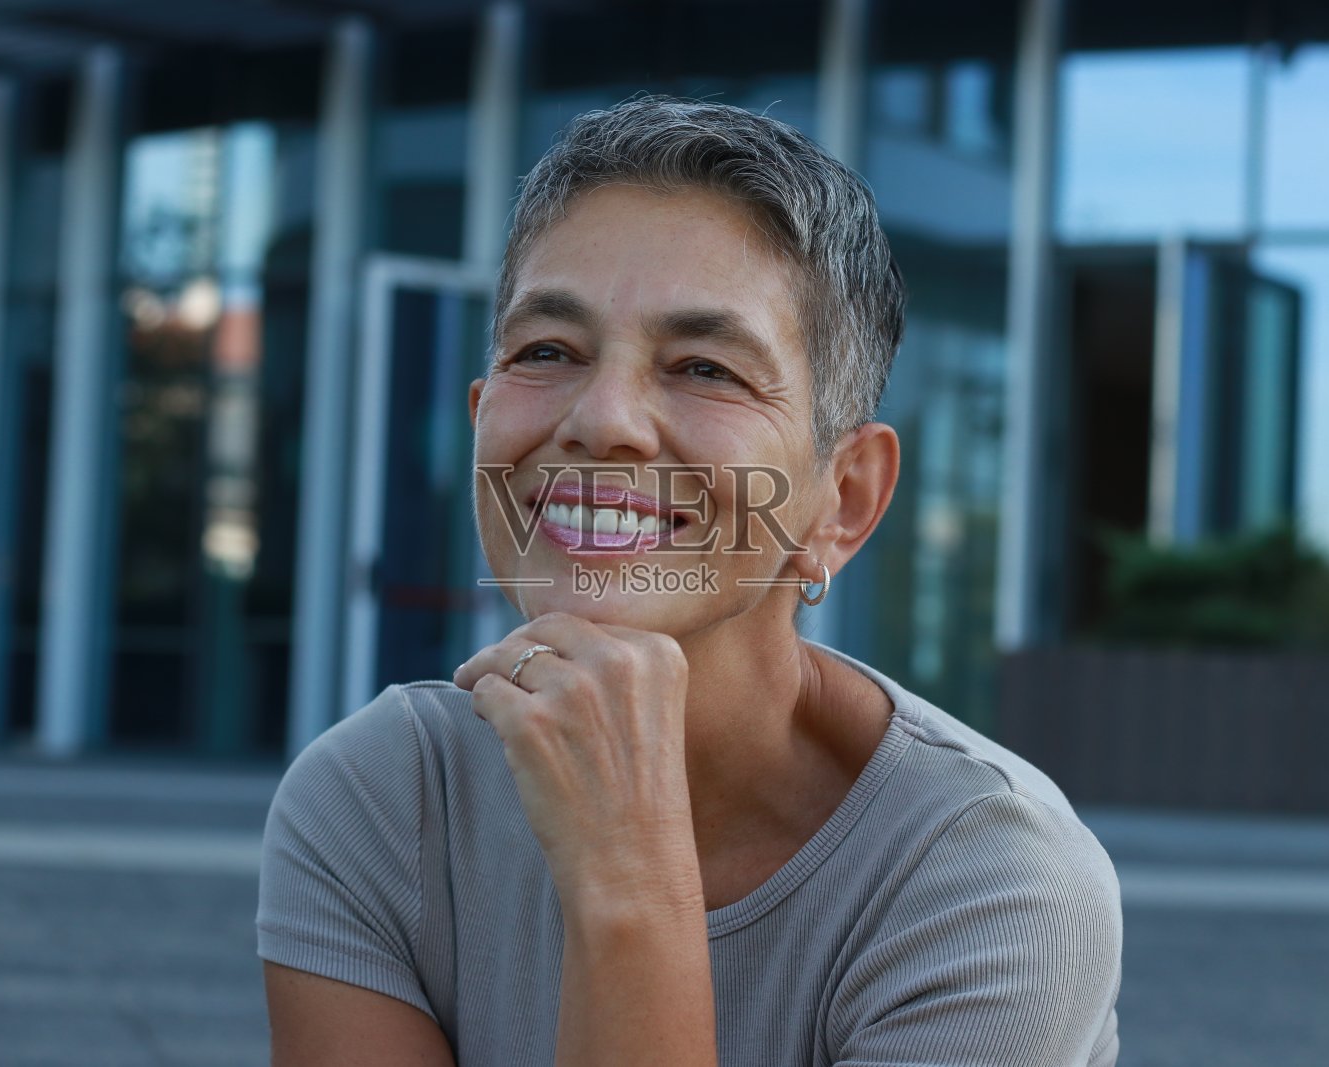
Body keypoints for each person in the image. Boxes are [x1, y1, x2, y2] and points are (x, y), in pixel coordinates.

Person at [257, 96, 1121, 1066]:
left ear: (841, 498)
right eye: (546, 351)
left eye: (705, 367)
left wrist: (628, 881)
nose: (603, 419)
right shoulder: (384, 795)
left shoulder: (990, 886)